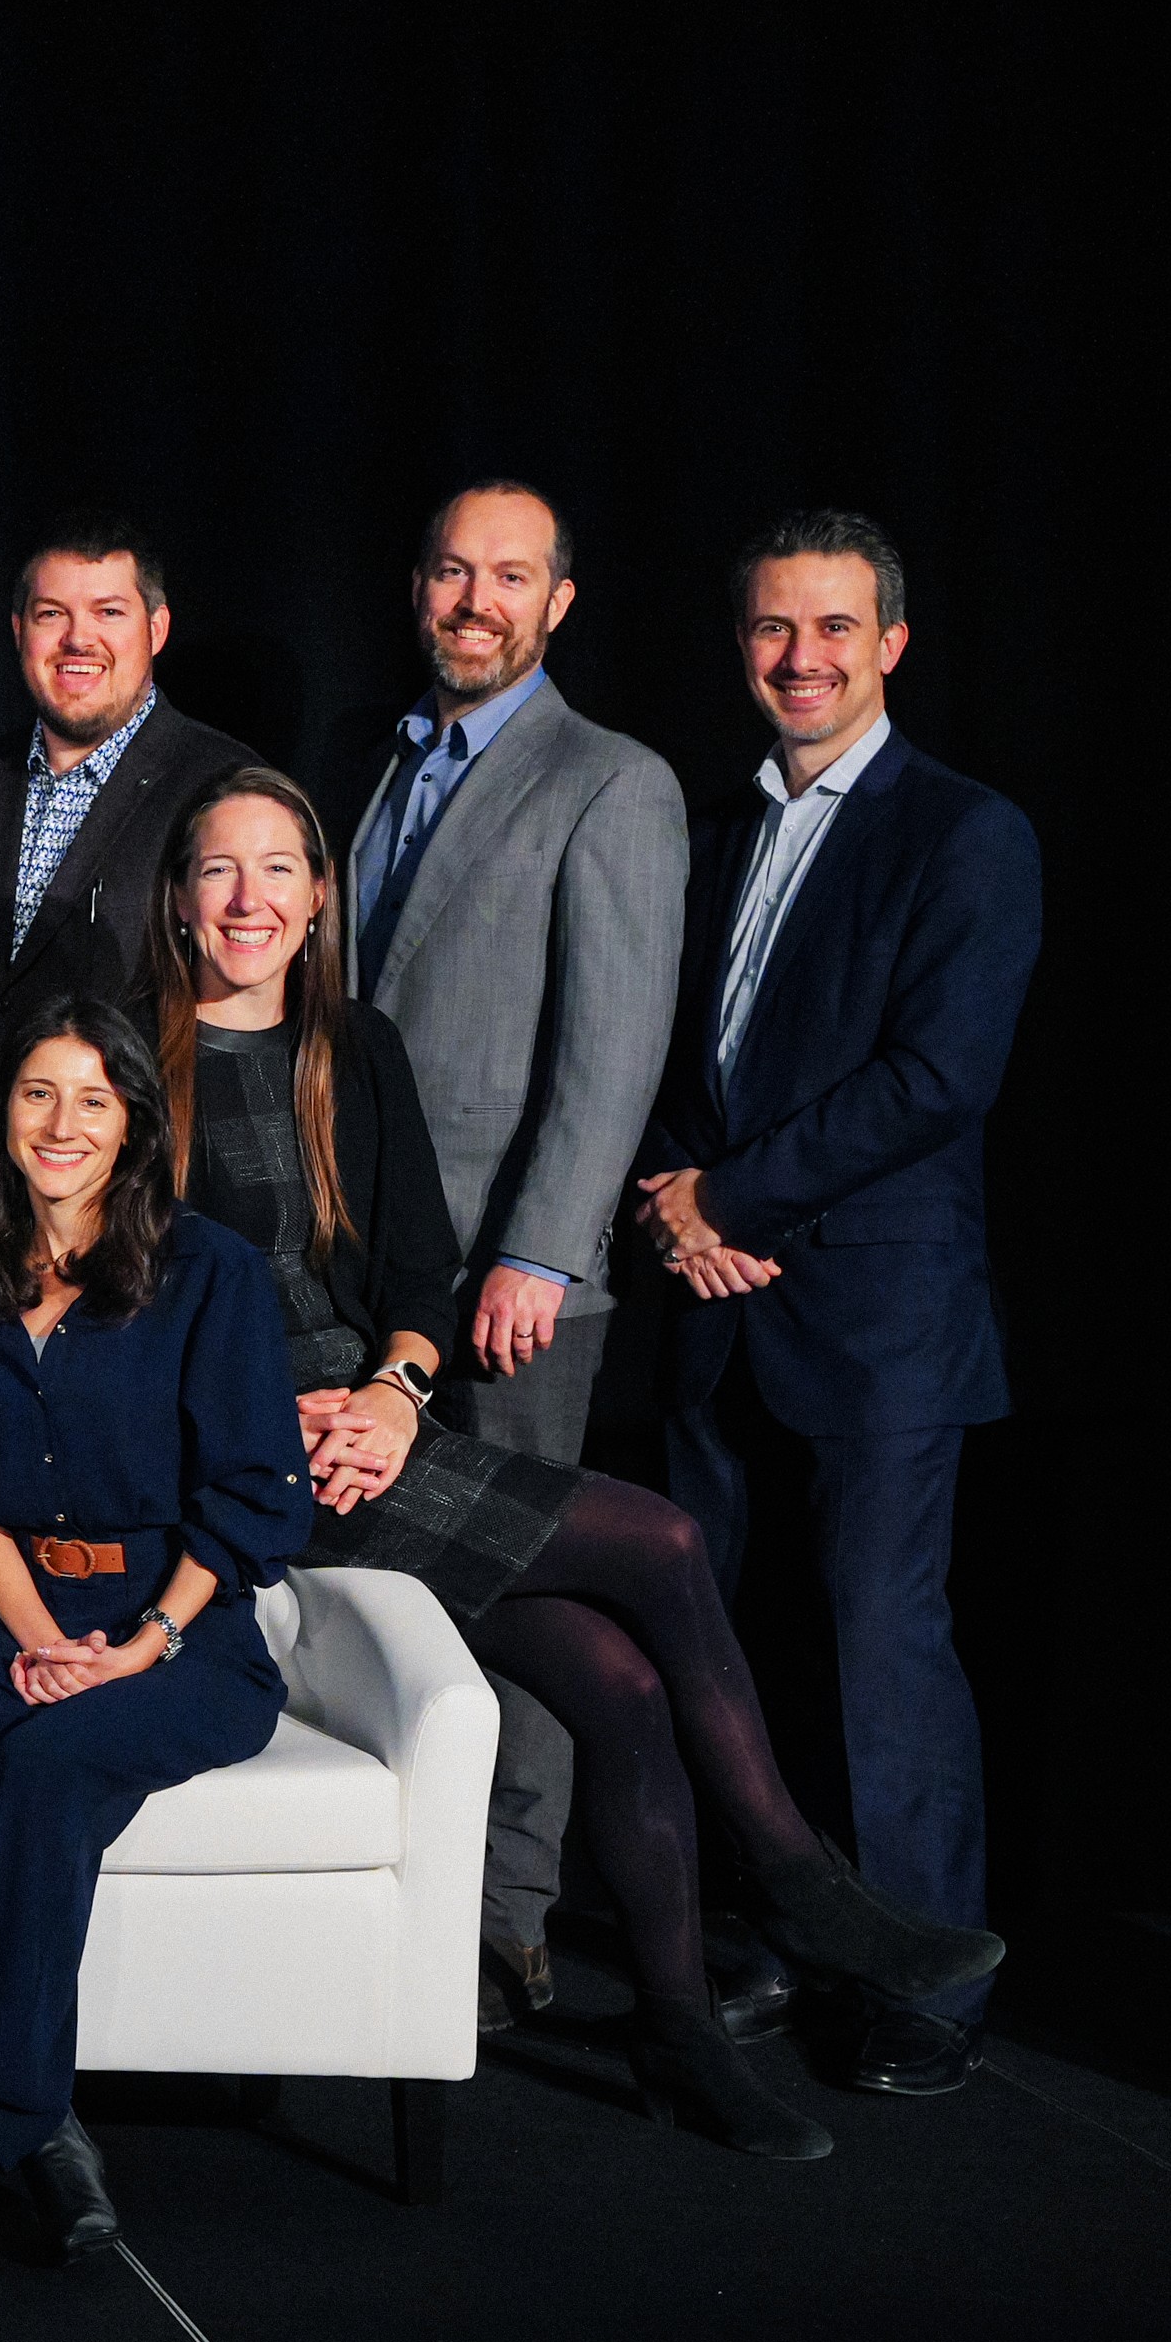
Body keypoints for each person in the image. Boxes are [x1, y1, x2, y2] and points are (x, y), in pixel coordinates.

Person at [156, 769, 1000, 2157]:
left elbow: (417, 1275)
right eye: (218, 870)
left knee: (619, 1686)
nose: (249, 898)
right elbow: (116, 1309)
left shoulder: (353, 1047)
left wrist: (395, 1391)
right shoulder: (129, 1062)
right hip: (242, 1463)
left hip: (375, 1434)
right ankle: (794, 1875)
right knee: (662, 1542)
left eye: (278, 870)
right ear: (180, 902)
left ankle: (677, 2029)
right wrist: (269, 1419)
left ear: (317, 900)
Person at [637, 511, 1043, 2099]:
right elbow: (681, 1060)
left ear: (891, 645)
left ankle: (928, 1975)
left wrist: (731, 1200)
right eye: (772, 627)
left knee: (883, 1646)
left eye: (832, 628)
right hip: (715, 1304)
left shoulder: (966, 832)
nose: (799, 656)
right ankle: (794, 1934)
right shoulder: (716, 829)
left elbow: (937, 1076)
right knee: (737, 1649)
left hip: (880, 1318)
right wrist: (675, 1202)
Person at [0, 998, 302, 2279]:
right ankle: (37, 2126)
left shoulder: (209, 1270)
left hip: (186, 1632)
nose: (63, 1123)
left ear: (134, 1122)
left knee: (41, 1767)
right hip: (16, 1611)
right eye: (39, 1093)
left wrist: (140, 1644)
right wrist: (37, 1639)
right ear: (4, 1117)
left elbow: (256, 1494)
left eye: (94, 1099)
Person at [342, 481, 688, 2026]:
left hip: (509, 1278)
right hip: (386, 1266)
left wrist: (542, 1251)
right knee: (411, 1582)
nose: (474, 598)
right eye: (451, 570)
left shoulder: (610, 779)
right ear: (420, 587)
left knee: (528, 1597)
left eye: (510, 575)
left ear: (559, 602)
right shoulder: (390, 761)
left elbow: (613, 1045)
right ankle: (414, 1883)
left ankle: (506, 1916)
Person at [0, 515, 253, 1137]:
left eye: (108, 613)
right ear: (18, 630)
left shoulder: (225, 792)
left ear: (157, 628)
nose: (78, 639)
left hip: (138, 1176)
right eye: (51, 615)